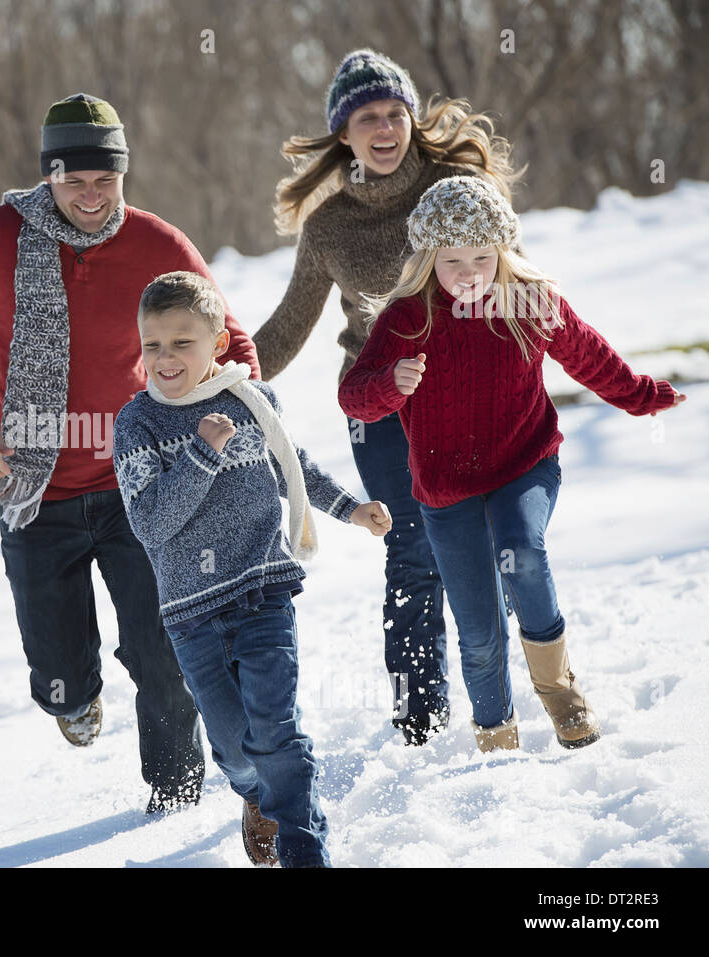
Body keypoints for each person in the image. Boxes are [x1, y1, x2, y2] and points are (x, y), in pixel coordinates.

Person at [0, 93, 262, 812]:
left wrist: (236, 411)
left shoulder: (159, 246)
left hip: (144, 486)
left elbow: (231, 343)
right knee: (60, 676)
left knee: (163, 657)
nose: (92, 197)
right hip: (35, 489)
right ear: (48, 177)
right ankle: (71, 698)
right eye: (75, 182)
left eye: (107, 181)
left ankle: (174, 803)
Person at [339, 176, 686, 752]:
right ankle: (496, 735)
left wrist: (642, 396)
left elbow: (588, 357)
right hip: (446, 490)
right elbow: (355, 396)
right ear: (429, 259)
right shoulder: (409, 317)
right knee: (477, 630)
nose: (470, 272)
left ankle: (561, 696)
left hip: (523, 463)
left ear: (503, 251)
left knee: (522, 553)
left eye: (482, 256)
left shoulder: (529, 301)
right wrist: (390, 386)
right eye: (452, 260)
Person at [252, 48, 524, 745]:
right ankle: (420, 716)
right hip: (378, 400)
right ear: (344, 132)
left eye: (394, 113)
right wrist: (221, 373)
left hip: (465, 391)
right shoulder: (330, 226)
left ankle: (495, 690)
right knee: (409, 546)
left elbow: (511, 271)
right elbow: (289, 324)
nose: (383, 127)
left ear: (410, 119)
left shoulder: (455, 185)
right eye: (367, 116)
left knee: (478, 538)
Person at [114, 271, 392, 866]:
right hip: (191, 613)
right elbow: (151, 524)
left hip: (263, 590)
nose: (165, 358)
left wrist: (350, 508)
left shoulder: (253, 400)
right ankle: (256, 795)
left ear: (216, 345)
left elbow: (294, 466)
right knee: (237, 749)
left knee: (276, 733)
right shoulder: (136, 424)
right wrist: (200, 454)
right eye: (152, 345)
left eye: (182, 342)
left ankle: (302, 848)